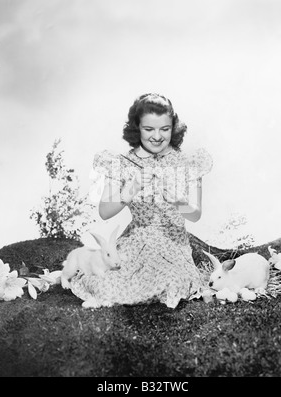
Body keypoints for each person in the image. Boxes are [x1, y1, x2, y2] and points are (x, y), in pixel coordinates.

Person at [70, 93, 213, 309]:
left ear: (173, 128)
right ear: (137, 128)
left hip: (172, 244)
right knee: (102, 281)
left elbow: (195, 215)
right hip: (135, 241)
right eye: (149, 129)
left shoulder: (187, 163)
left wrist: (178, 201)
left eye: (164, 129)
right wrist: (130, 191)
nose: (157, 136)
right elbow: (104, 212)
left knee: (172, 281)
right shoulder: (121, 163)